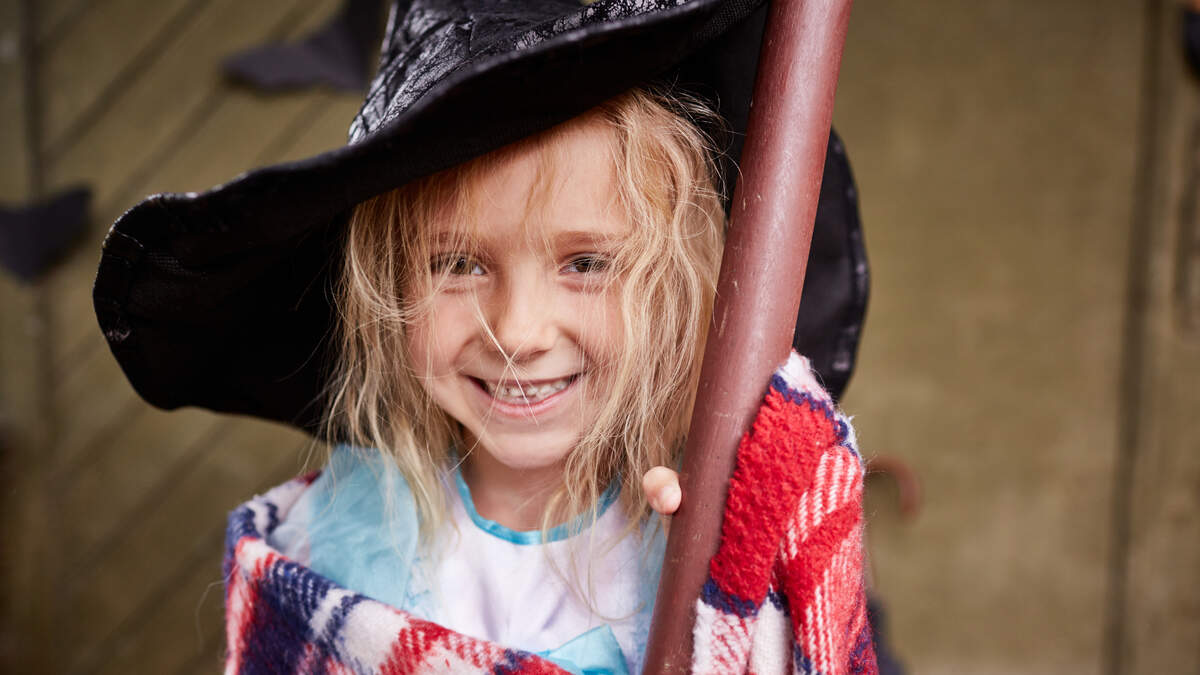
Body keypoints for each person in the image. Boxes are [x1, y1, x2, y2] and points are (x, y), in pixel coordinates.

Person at [94, 1, 875, 672]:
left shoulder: (705, 538)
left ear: (677, 286)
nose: (517, 332)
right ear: (389, 287)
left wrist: (730, 590)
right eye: (459, 264)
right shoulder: (334, 543)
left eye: (586, 263)